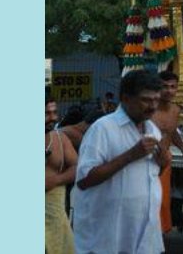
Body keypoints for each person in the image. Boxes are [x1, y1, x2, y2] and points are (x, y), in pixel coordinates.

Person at [73, 70, 171, 254]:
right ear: (125, 98)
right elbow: (84, 180)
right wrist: (130, 155)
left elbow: (149, 174)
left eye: (156, 100)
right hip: (108, 236)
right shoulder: (103, 128)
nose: (153, 106)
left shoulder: (152, 129)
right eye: (146, 100)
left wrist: (163, 162)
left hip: (144, 235)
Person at [151, 71, 183, 233]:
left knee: (163, 202)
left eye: (173, 87)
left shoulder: (175, 110)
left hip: (165, 162)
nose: (169, 91)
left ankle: (160, 239)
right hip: (146, 162)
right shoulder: (149, 109)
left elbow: (171, 132)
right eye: (165, 87)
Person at [45, 91, 77, 254]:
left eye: (54, 112)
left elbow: (77, 168)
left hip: (56, 220)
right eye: (46, 113)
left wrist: (55, 181)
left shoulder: (60, 139)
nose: (53, 118)